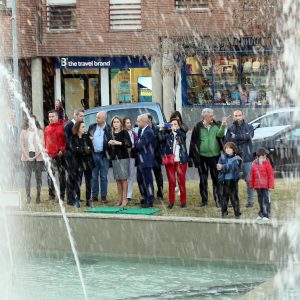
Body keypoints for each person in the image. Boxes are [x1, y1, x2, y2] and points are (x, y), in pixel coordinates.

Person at [189, 108, 229, 207]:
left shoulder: (216, 125)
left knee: (216, 179)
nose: (213, 117)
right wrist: (192, 157)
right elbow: (193, 142)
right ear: (205, 117)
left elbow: (220, 134)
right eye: (211, 116)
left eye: (213, 115)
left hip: (215, 157)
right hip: (202, 157)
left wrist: (223, 124)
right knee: (203, 180)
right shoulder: (198, 127)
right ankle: (204, 200)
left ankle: (218, 200)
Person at [226, 110, 254, 208]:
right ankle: (234, 200)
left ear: (243, 115)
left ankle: (251, 201)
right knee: (233, 179)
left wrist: (236, 137)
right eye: (236, 115)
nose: (238, 117)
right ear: (233, 117)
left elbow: (249, 136)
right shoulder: (230, 129)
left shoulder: (249, 127)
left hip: (247, 157)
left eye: (239, 115)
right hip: (234, 158)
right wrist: (242, 138)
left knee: (249, 180)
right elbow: (228, 142)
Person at [160, 117, 188, 209]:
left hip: (180, 161)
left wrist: (177, 131)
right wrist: (162, 129)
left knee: (181, 182)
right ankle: (171, 202)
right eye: (172, 124)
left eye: (175, 124)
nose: (173, 126)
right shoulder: (168, 135)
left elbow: (183, 137)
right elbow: (160, 139)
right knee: (171, 182)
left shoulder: (181, 134)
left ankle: (183, 202)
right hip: (171, 162)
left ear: (179, 125)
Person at [88, 111, 112, 204]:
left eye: (98, 117)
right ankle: (94, 195)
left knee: (103, 176)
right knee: (94, 176)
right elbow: (87, 138)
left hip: (104, 155)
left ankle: (103, 196)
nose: (96, 119)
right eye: (96, 117)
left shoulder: (109, 128)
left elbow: (111, 140)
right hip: (94, 154)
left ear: (104, 119)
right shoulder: (92, 127)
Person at [108, 116, 132, 207]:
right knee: (118, 179)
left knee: (123, 179)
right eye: (114, 122)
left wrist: (118, 143)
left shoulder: (124, 132)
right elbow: (108, 147)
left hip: (123, 158)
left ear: (121, 123)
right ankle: (119, 198)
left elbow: (129, 144)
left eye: (117, 122)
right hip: (115, 158)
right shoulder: (111, 133)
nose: (116, 124)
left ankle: (125, 199)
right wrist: (109, 143)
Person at [20, 116, 44, 204]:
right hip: (26, 156)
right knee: (27, 177)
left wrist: (35, 156)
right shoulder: (23, 132)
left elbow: (42, 145)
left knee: (38, 177)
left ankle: (38, 197)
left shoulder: (40, 132)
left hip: (38, 156)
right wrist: (27, 156)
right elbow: (22, 145)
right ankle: (28, 197)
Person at [70, 121, 94, 208]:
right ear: (78, 128)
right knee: (78, 182)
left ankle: (88, 200)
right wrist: (84, 149)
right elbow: (74, 151)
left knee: (89, 182)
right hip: (78, 163)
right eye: (82, 127)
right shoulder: (73, 138)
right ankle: (77, 200)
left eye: (84, 126)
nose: (84, 128)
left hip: (88, 163)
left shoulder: (87, 137)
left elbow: (91, 150)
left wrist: (82, 149)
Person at [64, 108, 84, 206]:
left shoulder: (80, 125)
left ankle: (76, 196)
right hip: (71, 156)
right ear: (75, 116)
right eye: (81, 116)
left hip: (78, 156)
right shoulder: (69, 126)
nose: (82, 118)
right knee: (71, 177)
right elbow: (68, 142)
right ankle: (70, 199)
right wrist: (76, 148)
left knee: (78, 177)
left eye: (83, 116)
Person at [141, 114, 163, 201]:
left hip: (156, 156)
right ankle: (149, 195)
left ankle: (160, 193)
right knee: (148, 177)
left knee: (158, 176)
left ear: (150, 120)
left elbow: (160, 140)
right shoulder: (142, 129)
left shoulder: (156, 129)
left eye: (148, 120)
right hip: (147, 157)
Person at [44, 110, 66, 201]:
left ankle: (61, 196)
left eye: (53, 116)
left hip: (60, 155)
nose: (51, 118)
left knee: (61, 175)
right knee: (50, 175)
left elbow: (66, 140)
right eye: (49, 117)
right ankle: (51, 195)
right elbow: (45, 141)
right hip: (49, 155)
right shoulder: (47, 128)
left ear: (57, 117)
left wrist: (62, 149)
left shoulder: (62, 127)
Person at [217, 142, 242, 219]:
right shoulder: (222, 157)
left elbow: (234, 167)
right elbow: (219, 167)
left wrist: (223, 167)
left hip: (232, 181)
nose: (227, 149)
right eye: (226, 148)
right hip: (224, 181)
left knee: (234, 198)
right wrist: (222, 168)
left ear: (233, 150)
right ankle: (224, 212)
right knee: (224, 198)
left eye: (229, 148)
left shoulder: (237, 158)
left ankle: (237, 213)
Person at [135, 114, 155, 208]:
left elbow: (140, 145)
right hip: (140, 160)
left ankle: (150, 200)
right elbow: (138, 143)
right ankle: (145, 197)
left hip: (146, 160)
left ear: (143, 121)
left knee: (148, 181)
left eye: (138, 121)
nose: (137, 123)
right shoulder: (141, 130)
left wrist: (136, 143)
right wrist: (137, 142)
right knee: (139, 179)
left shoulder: (149, 132)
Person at [250, 148, 274, 220]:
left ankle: (267, 215)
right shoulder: (254, 165)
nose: (264, 158)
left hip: (266, 186)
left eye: (265, 156)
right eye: (262, 157)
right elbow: (252, 175)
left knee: (266, 200)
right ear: (257, 157)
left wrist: (270, 186)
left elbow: (271, 176)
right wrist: (252, 185)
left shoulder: (267, 164)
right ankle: (261, 213)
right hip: (258, 186)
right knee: (260, 200)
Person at [123, 117, 138, 202]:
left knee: (131, 175)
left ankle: (129, 194)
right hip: (124, 157)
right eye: (127, 123)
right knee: (124, 175)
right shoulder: (123, 133)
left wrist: (132, 147)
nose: (128, 124)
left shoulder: (133, 133)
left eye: (129, 123)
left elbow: (136, 142)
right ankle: (124, 193)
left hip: (131, 156)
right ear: (124, 124)